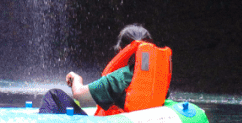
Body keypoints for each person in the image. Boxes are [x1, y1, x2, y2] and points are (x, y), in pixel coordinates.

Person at [38, 24, 172, 115]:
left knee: (54, 95)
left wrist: (77, 80)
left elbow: (79, 94)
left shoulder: (119, 78)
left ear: (121, 51)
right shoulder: (160, 78)